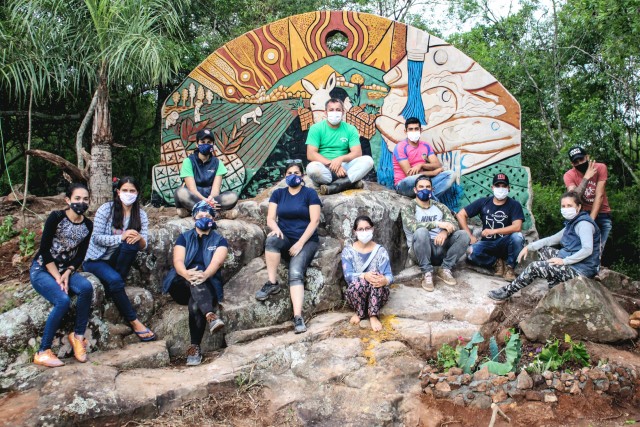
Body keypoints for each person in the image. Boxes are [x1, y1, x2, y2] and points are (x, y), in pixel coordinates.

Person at [488, 191, 601, 301]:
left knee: (535, 267)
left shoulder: (584, 224)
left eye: (569, 205)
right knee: (543, 250)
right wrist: (529, 247)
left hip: (582, 269)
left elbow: (587, 250)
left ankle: (507, 291)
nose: (566, 209)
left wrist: (564, 261)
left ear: (578, 207)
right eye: (563, 206)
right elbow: (551, 239)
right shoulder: (572, 223)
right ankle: (554, 286)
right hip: (575, 263)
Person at [83, 177, 156, 342]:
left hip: (118, 259)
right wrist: (122, 237)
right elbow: (96, 238)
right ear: (118, 192)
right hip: (97, 259)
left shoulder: (141, 214)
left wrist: (137, 237)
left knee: (132, 242)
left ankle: (114, 285)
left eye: (132, 191)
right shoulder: (106, 210)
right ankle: (134, 321)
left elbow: (143, 245)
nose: (128, 194)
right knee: (115, 279)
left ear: (137, 193)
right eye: (125, 190)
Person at [31, 183, 94, 367]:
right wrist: (57, 277)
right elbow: (44, 250)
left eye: (85, 199)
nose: (81, 203)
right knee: (63, 300)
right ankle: (43, 351)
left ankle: (78, 336)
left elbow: (81, 254)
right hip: (43, 269)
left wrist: (67, 272)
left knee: (85, 288)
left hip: (65, 270)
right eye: (77, 199)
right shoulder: (56, 218)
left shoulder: (87, 225)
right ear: (68, 200)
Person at [255, 162, 321, 334]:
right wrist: (276, 230)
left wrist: (300, 243)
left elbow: (315, 221)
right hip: (286, 236)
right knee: (271, 241)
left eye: (296, 172)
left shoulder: (310, 194)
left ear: (302, 175)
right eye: (289, 173)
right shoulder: (278, 194)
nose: (293, 175)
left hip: (306, 240)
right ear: (285, 176)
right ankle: (272, 283)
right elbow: (271, 218)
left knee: (296, 271)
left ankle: (297, 317)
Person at [162, 200, 228, 366]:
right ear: (194, 217)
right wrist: (186, 274)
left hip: (206, 285)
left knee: (195, 306)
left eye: (208, 215)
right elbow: (178, 261)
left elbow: (216, 263)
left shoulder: (219, 240)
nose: (204, 217)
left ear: (213, 219)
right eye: (200, 214)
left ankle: (194, 348)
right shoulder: (184, 238)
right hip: (181, 284)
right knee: (193, 278)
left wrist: (205, 275)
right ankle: (211, 316)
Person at [401, 176, 470, 291]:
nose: (425, 189)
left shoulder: (440, 206)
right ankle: (426, 272)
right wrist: (438, 224)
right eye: (421, 187)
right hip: (420, 251)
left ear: (432, 190)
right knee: (421, 232)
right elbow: (413, 225)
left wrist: (444, 232)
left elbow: (453, 224)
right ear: (415, 190)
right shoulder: (408, 207)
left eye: (428, 187)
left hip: (441, 247)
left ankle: (445, 269)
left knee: (463, 235)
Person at [456, 173, 525, 281]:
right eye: (498, 186)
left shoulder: (514, 205)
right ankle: (496, 263)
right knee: (470, 252)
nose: (501, 189)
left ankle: (510, 268)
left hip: (506, 243)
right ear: (492, 188)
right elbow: (460, 214)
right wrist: (470, 236)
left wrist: (494, 231)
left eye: (504, 186)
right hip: (487, 244)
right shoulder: (484, 202)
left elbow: (517, 227)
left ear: (508, 188)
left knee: (518, 237)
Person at [306, 98, 374, 195]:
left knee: (368, 161)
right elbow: (311, 154)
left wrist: (340, 159)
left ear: (343, 112)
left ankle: (336, 186)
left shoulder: (350, 129)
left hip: (345, 167)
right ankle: (349, 182)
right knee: (312, 169)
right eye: (331, 110)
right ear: (325, 112)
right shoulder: (316, 128)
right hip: (325, 166)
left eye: (338, 110)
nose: (335, 113)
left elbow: (357, 153)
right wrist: (333, 165)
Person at [342, 216, 393, 331]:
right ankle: (359, 312)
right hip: (356, 294)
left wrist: (384, 280)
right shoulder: (348, 252)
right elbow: (348, 276)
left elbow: (390, 276)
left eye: (367, 228)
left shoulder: (381, 251)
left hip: (378, 294)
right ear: (355, 232)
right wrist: (364, 276)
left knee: (376, 277)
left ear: (373, 229)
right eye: (360, 229)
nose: (364, 232)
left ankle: (373, 315)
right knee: (359, 283)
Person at [174, 128, 238, 217]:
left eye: (209, 142)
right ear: (197, 144)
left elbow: (215, 191)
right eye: (202, 142)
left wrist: (210, 199)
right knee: (180, 192)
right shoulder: (188, 161)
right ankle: (214, 212)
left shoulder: (217, 163)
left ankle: (198, 211)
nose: (206, 144)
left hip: (210, 198)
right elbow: (192, 190)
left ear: (213, 144)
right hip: (194, 197)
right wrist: (205, 201)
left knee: (232, 196)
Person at [563, 145, 612, 252]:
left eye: (582, 159)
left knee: (598, 250)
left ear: (587, 157)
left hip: (602, 213)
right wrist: (586, 177)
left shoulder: (600, 168)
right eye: (576, 162)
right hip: (581, 214)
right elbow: (573, 197)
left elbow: (599, 195)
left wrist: (590, 221)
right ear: (572, 164)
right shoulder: (569, 175)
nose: (580, 163)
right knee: (577, 247)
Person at [393, 117, 456, 199]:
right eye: (410, 129)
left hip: (424, 183)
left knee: (450, 174)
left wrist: (421, 165)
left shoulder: (426, 146)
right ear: (406, 131)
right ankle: (432, 201)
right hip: (405, 184)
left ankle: (426, 198)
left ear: (420, 130)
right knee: (416, 178)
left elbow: (437, 165)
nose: (413, 131)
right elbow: (409, 174)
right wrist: (433, 173)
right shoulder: (400, 147)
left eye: (416, 129)